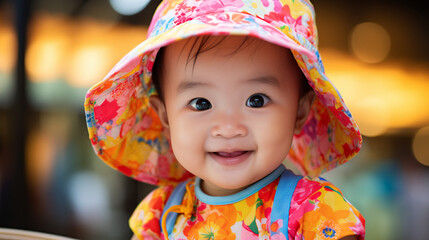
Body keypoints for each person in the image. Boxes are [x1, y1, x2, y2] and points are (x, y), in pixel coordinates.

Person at [84, 0, 365, 239]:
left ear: (300, 111)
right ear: (165, 115)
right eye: (201, 103)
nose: (229, 128)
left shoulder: (313, 212)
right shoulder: (160, 216)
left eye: (257, 100)